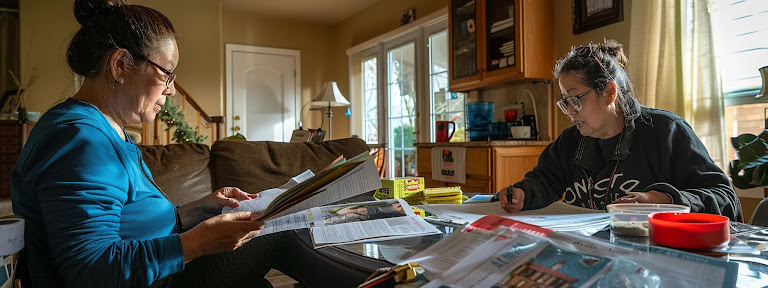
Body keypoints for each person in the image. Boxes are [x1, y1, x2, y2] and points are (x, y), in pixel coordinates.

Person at [10, 1, 265, 287]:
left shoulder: (106, 131)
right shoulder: (80, 140)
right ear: (120, 65)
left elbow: (130, 225)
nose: (170, 89)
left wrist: (196, 210)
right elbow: (90, 270)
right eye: (166, 73)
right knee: (279, 236)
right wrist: (198, 242)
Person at [492, 40, 739, 222]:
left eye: (575, 99)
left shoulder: (666, 132)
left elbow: (725, 197)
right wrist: (524, 193)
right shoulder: (572, 140)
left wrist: (663, 200)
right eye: (564, 101)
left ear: (610, 92)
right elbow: (545, 180)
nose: (569, 111)